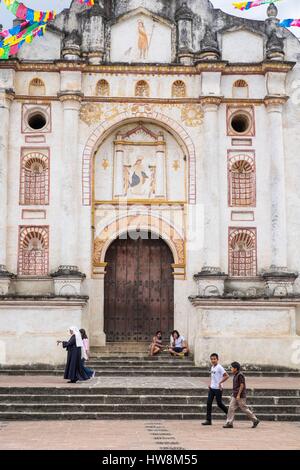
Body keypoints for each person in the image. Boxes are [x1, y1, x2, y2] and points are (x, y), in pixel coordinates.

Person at [223, 362, 260, 429]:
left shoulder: (240, 375)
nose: (231, 369)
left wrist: (238, 395)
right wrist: (234, 394)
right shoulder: (235, 375)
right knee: (231, 408)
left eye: (232, 367)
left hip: (240, 396)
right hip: (235, 395)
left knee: (244, 408)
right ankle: (229, 423)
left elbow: (242, 385)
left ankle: (255, 420)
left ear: (235, 368)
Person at [202, 353, 229, 426]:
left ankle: (229, 415)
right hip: (212, 388)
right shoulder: (212, 367)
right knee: (208, 403)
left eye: (214, 359)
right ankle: (208, 420)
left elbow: (226, 376)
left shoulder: (219, 367)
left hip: (218, 388)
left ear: (217, 359)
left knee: (219, 404)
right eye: (212, 359)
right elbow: (213, 377)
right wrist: (210, 384)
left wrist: (220, 383)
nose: (213, 360)